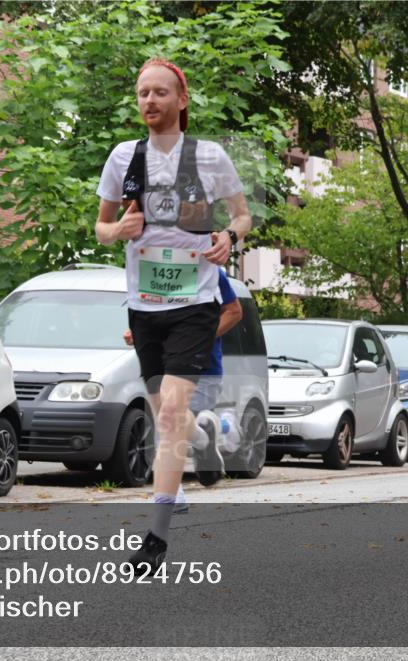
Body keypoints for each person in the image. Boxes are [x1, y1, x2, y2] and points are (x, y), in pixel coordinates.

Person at [95, 58, 251, 573]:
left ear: (181, 100)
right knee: (172, 419)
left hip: (195, 305)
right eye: (142, 93)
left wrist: (230, 237)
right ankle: (201, 438)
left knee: (166, 416)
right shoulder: (124, 158)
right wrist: (118, 231)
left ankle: (156, 538)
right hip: (144, 308)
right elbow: (101, 227)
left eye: (160, 93)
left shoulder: (208, 157)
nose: (149, 102)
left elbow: (242, 215)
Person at [123, 267, 244, 510]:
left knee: (181, 421)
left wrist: (195, 340)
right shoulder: (151, 269)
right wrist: (139, 334)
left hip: (205, 366)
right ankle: (172, 495)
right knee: (169, 420)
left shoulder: (211, 272)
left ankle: (224, 427)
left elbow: (234, 312)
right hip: (165, 364)